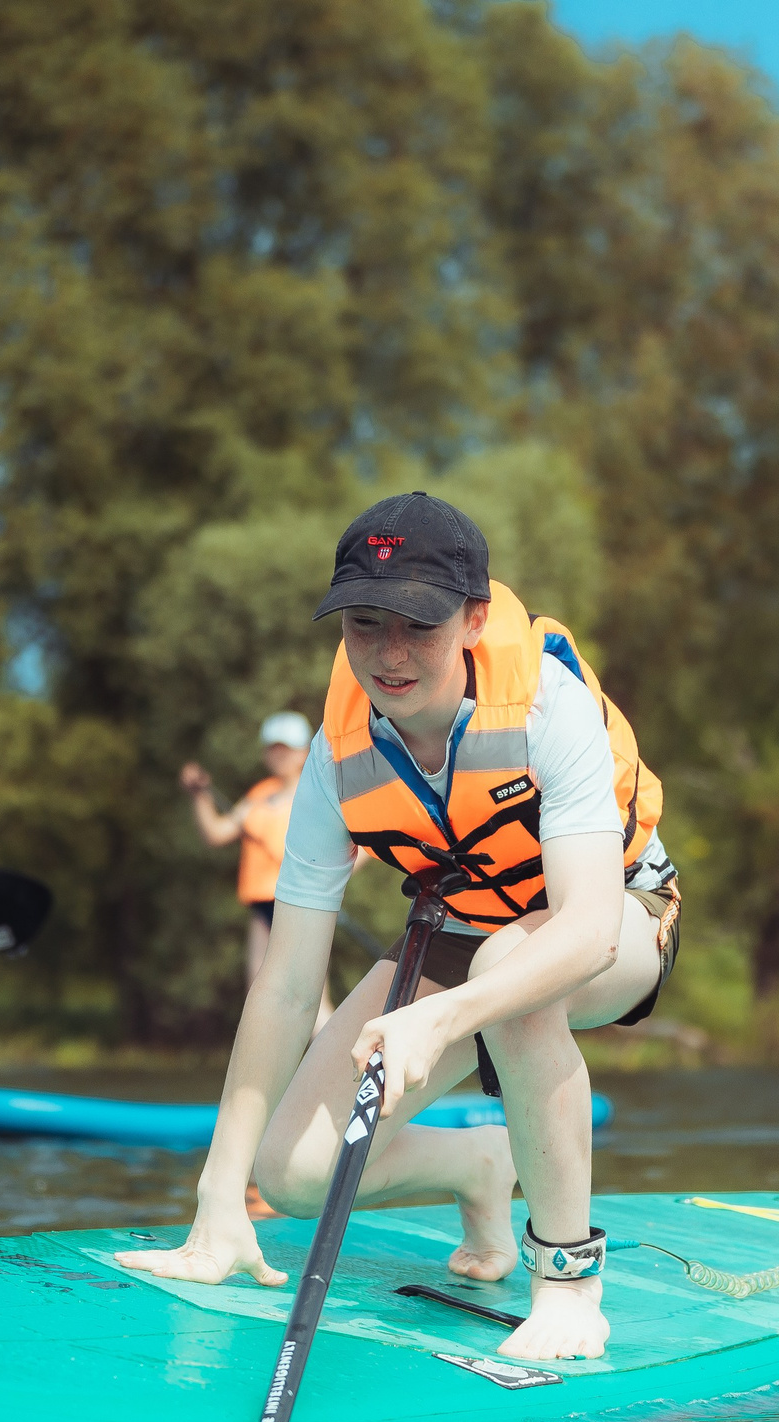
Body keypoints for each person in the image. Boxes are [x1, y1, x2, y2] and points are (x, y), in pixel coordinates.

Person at [120, 492, 681, 1361]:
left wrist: (450, 1013)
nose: (388, 653)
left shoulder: (547, 708)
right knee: (295, 1173)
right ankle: (479, 1164)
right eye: (364, 623)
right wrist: (218, 1197)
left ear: (475, 618)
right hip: (463, 935)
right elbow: (286, 984)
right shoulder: (333, 760)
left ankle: (569, 1282)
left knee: (514, 975)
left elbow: (586, 934)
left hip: (615, 921)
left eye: (417, 623)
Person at [180, 711, 316, 990]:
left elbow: (354, 847)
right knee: (259, 990)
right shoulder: (259, 795)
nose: (279, 756)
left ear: (303, 752)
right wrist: (200, 795)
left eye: (287, 750)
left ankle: (334, 1036)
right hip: (261, 904)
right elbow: (217, 833)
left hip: (297, 902)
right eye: (273, 749)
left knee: (305, 993)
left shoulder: (313, 792)